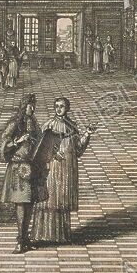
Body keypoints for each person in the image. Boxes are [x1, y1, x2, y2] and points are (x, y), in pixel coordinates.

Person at [30, 98, 95, 244]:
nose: (58, 109)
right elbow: (41, 148)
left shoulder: (72, 126)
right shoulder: (49, 124)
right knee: (50, 199)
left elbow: (78, 150)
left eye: (62, 106)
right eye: (56, 106)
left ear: (67, 108)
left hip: (67, 169)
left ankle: (62, 236)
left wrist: (87, 134)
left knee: (62, 199)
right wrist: (53, 154)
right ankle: (43, 235)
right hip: (52, 168)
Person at [0, 94, 41, 253]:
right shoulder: (15, 123)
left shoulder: (34, 123)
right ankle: (20, 241)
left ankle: (25, 239)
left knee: (30, 204)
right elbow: (2, 143)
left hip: (32, 166)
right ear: (24, 106)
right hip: (18, 168)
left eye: (34, 105)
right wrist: (17, 141)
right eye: (30, 105)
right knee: (21, 204)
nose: (33, 108)